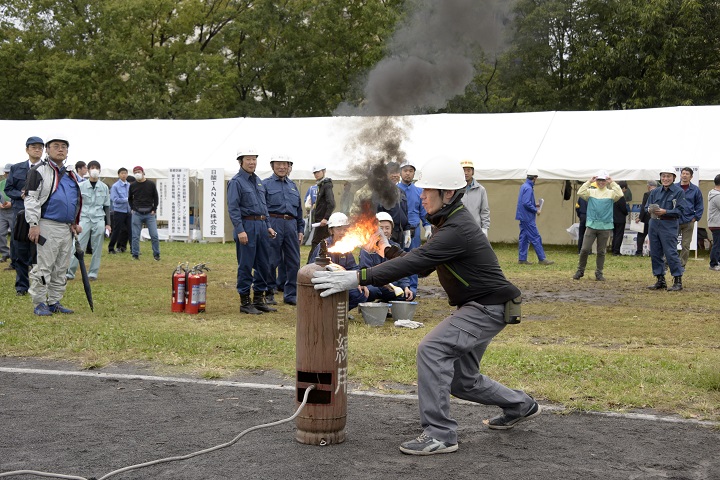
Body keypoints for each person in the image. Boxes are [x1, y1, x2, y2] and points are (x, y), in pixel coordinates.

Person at [312, 158, 539, 456]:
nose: (421, 196)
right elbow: (421, 265)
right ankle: (522, 405)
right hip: (485, 305)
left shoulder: (457, 228)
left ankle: (441, 434)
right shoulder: (449, 222)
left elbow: (416, 263)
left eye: (427, 191)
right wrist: (384, 247)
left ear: (447, 194)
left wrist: (356, 277)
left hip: (486, 307)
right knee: (462, 380)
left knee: (431, 349)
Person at [24, 135, 82, 316]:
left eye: (64, 146)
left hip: (66, 227)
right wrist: (33, 224)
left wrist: (74, 222)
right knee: (44, 265)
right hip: (47, 224)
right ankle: (40, 302)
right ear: (47, 150)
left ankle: (54, 300)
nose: (60, 149)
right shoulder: (39, 171)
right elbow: (31, 198)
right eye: (55, 146)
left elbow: (75, 200)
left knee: (61, 266)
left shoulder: (72, 175)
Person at [227, 148, 277, 314]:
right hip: (247, 227)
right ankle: (245, 302)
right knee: (246, 265)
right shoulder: (236, 182)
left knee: (264, 264)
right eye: (248, 159)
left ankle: (258, 299)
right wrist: (240, 230)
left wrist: (268, 225)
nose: (252, 162)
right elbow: (233, 208)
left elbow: (264, 207)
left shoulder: (259, 182)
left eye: (254, 159)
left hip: (262, 227)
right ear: (241, 161)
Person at [260, 155, 304, 306]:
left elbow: (299, 211)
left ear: (289, 166)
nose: (282, 167)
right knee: (271, 260)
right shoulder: (265, 184)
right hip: (274, 222)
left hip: (291, 225)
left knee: (294, 261)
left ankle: (291, 294)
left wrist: (300, 229)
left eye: (285, 164)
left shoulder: (293, 186)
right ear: (272, 166)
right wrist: (267, 226)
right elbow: (262, 208)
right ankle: (270, 292)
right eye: (278, 164)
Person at [3, 136, 44, 293]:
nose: (37, 150)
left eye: (40, 147)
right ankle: (22, 286)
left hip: (41, 215)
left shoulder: (48, 169)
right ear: (27, 149)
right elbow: (8, 189)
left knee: (40, 252)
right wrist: (19, 195)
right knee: (20, 250)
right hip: (20, 214)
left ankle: (39, 285)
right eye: (33, 147)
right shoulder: (17, 168)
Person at [310, 212, 368, 311]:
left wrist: (360, 281)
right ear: (331, 230)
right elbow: (314, 269)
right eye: (338, 229)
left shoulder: (346, 247)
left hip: (342, 282)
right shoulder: (323, 247)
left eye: (344, 229)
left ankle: (340, 312)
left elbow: (353, 267)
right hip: (325, 284)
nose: (342, 232)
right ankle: (326, 312)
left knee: (361, 294)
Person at [573, 171, 624, 281]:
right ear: (596, 181)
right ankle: (580, 271)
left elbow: (620, 194)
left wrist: (612, 182)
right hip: (591, 225)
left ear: (606, 181)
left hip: (605, 226)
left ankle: (599, 273)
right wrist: (589, 181)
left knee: (601, 251)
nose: (601, 182)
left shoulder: (611, 193)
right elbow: (580, 192)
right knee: (584, 249)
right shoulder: (591, 192)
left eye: (603, 180)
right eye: (599, 180)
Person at [67, 160, 111, 281]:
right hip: (84, 218)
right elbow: (76, 205)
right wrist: (74, 221)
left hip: (99, 218)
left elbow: (107, 206)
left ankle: (93, 273)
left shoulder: (104, 187)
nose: (94, 170)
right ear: (88, 170)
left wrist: (108, 224)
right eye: (92, 167)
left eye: (97, 168)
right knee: (78, 244)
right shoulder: (81, 186)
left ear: (100, 170)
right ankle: (70, 272)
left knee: (97, 246)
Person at [359, 212, 414, 302]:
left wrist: (405, 286)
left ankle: (384, 303)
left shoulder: (395, 247)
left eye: (387, 228)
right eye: (381, 228)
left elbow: (403, 269)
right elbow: (364, 270)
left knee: (408, 294)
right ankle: (371, 306)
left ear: (391, 230)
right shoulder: (367, 248)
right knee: (372, 291)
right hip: (373, 285)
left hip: (391, 286)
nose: (384, 231)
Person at [646, 167, 686, 291]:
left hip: (669, 224)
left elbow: (680, 210)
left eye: (668, 176)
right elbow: (646, 206)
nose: (665, 178)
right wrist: (649, 209)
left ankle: (677, 280)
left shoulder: (678, 192)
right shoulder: (655, 192)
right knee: (655, 252)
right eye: (663, 176)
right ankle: (660, 279)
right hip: (654, 224)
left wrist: (666, 211)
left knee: (670, 252)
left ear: (674, 178)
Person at [397, 160, 429, 297]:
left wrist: (427, 225)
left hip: (414, 231)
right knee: (398, 258)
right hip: (399, 231)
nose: (408, 173)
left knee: (414, 259)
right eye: (405, 170)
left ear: (414, 173)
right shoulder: (395, 190)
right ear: (400, 173)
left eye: (411, 171)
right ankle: (400, 287)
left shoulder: (419, 191)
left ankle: (413, 288)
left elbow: (423, 210)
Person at [515, 170, 553, 265]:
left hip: (522, 216)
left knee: (524, 237)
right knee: (536, 237)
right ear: (535, 178)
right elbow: (526, 203)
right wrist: (536, 210)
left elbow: (524, 201)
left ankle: (522, 259)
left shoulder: (524, 186)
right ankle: (542, 259)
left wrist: (534, 204)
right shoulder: (528, 188)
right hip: (527, 217)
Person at [128, 165, 160, 261]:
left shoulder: (150, 184)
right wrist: (132, 208)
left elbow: (156, 197)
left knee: (154, 235)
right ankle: (135, 254)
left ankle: (156, 254)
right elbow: (130, 198)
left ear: (143, 172)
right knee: (135, 235)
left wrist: (154, 208)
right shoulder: (132, 185)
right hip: (137, 213)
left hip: (150, 213)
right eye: (135, 172)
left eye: (139, 171)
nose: (137, 173)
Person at [307, 164, 335, 263]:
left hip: (322, 222)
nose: (316, 174)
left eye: (318, 172)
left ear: (324, 171)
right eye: (314, 172)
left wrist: (325, 218)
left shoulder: (326, 185)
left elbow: (331, 203)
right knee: (324, 244)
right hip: (321, 221)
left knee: (316, 243)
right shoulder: (321, 185)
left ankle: (309, 265)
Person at [677, 167, 704, 267]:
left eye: (687, 174)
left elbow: (700, 205)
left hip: (688, 221)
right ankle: (667, 264)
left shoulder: (695, 190)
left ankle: (681, 265)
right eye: (683, 173)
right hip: (675, 220)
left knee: (685, 245)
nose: (684, 175)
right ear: (680, 175)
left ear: (691, 177)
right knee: (670, 243)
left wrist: (695, 217)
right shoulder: (674, 188)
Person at [460, 160, 490, 236]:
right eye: (463, 170)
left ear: (472, 172)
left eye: (468, 170)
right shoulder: (454, 190)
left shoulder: (480, 189)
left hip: (475, 228)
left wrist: (485, 228)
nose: (466, 173)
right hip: (459, 227)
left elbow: (485, 210)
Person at [108, 167, 131, 254]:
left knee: (128, 230)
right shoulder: (115, 186)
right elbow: (114, 199)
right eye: (122, 173)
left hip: (128, 210)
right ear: (118, 175)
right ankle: (111, 248)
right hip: (119, 211)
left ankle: (123, 247)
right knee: (117, 230)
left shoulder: (129, 185)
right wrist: (126, 199)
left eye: (125, 173)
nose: (124, 175)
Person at [635, 181, 657, 256]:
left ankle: (639, 252)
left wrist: (640, 218)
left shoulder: (647, 194)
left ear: (648, 186)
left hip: (646, 218)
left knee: (641, 236)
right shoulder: (659, 193)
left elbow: (643, 207)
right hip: (656, 219)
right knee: (653, 237)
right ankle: (652, 252)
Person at [610, 181, 629, 255]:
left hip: (613, 218)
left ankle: (613, 248)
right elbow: (623, 209)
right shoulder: (621, 197)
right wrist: (626, 212)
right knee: (619, 235)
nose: (626, 190)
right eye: (625, 189)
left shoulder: (613, 196)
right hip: (620, 219)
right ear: (623, 188)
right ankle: (616, 251)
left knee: (615, 235)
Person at [0, 164, 13, 263]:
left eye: (9, 172)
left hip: (13, 211)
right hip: (2, 212)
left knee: (15, 235)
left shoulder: (18, 183)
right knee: (1, 233)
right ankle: (5, 253)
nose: (7, 174)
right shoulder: (1, 183)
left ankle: (14, 255)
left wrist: (11, 203)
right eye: (6, 172)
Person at [708, 174, 720, 271]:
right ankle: (713, 263)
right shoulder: (717, 196)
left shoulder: (713, 193)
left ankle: (717, 262)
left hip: (715, 223)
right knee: (717, 244)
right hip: (717, 223)